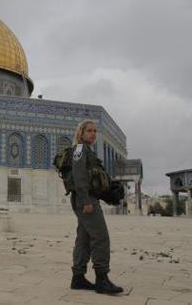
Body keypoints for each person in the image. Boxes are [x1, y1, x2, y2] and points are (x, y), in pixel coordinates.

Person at [69, 119, 123, 294]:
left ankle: (78, 278)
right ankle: (102, 279)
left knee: (84, 239)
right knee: (101, 237)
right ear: (81, 133)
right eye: (89, 131)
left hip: (88, 197)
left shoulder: (87, 151)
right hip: (85, 199)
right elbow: (79, 176)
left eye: (94, 131)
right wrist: (86, 201)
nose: (93, 134)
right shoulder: (79, 150)